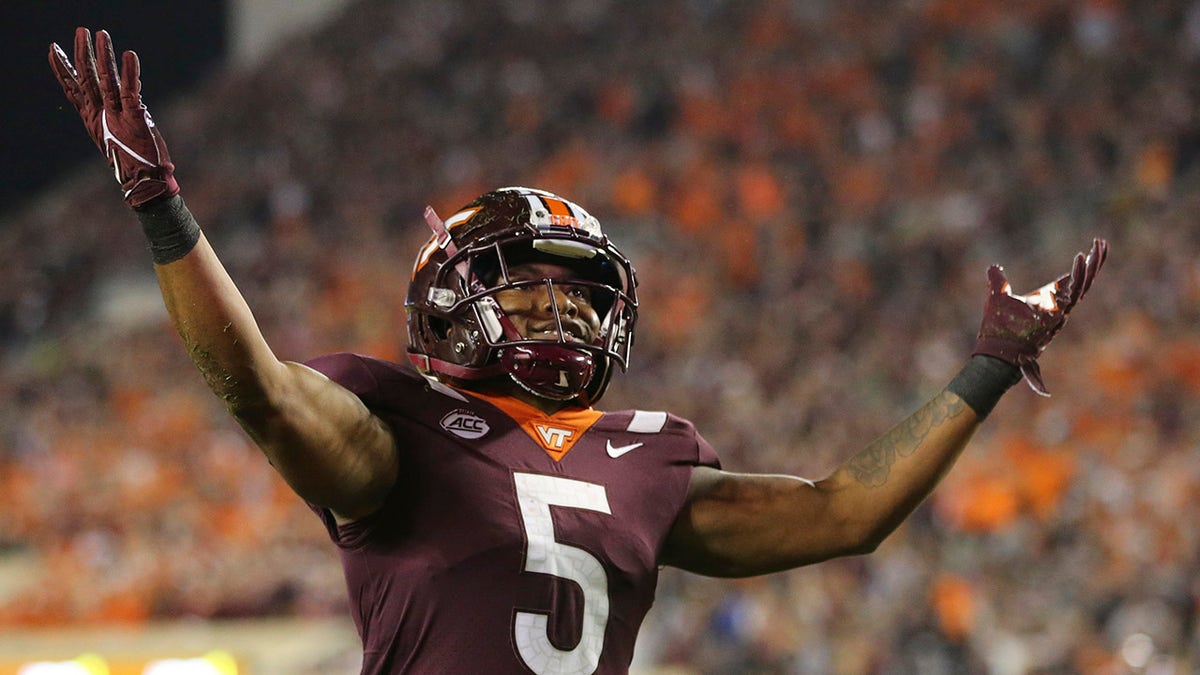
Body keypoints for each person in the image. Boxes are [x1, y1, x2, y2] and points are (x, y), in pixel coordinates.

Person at [49, 27, 1107, 674]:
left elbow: (845, 511)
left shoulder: (648, 457)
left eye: (576, 292)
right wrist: (160, 208)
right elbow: (264, 396)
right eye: (529, 286)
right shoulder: (398, 435)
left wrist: (989, 366)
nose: (557, 310)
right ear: (448, 312)